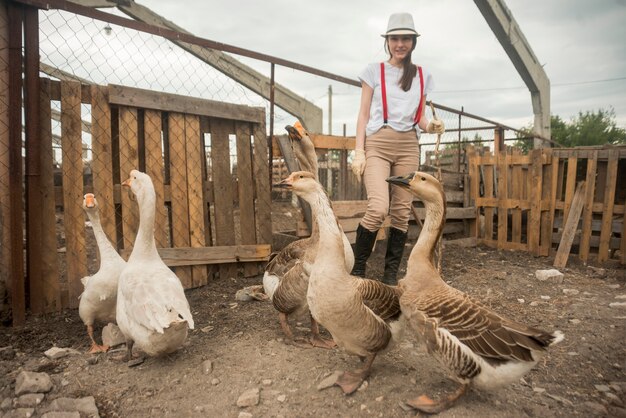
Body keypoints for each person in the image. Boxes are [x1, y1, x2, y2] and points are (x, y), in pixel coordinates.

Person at [350, 12, 445, 285]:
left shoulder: (423, 76)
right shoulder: (373, 71)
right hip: (378, 143)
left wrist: (432, 126)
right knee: (379, 208)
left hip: (408, 145)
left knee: (402, 212)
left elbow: (420, 118)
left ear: (413, 42)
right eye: (395, 38)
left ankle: (390, 276)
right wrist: (359, 150)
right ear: (387, 41)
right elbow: (363, 114)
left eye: (405, 38)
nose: (400, 44)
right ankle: (358, 269)